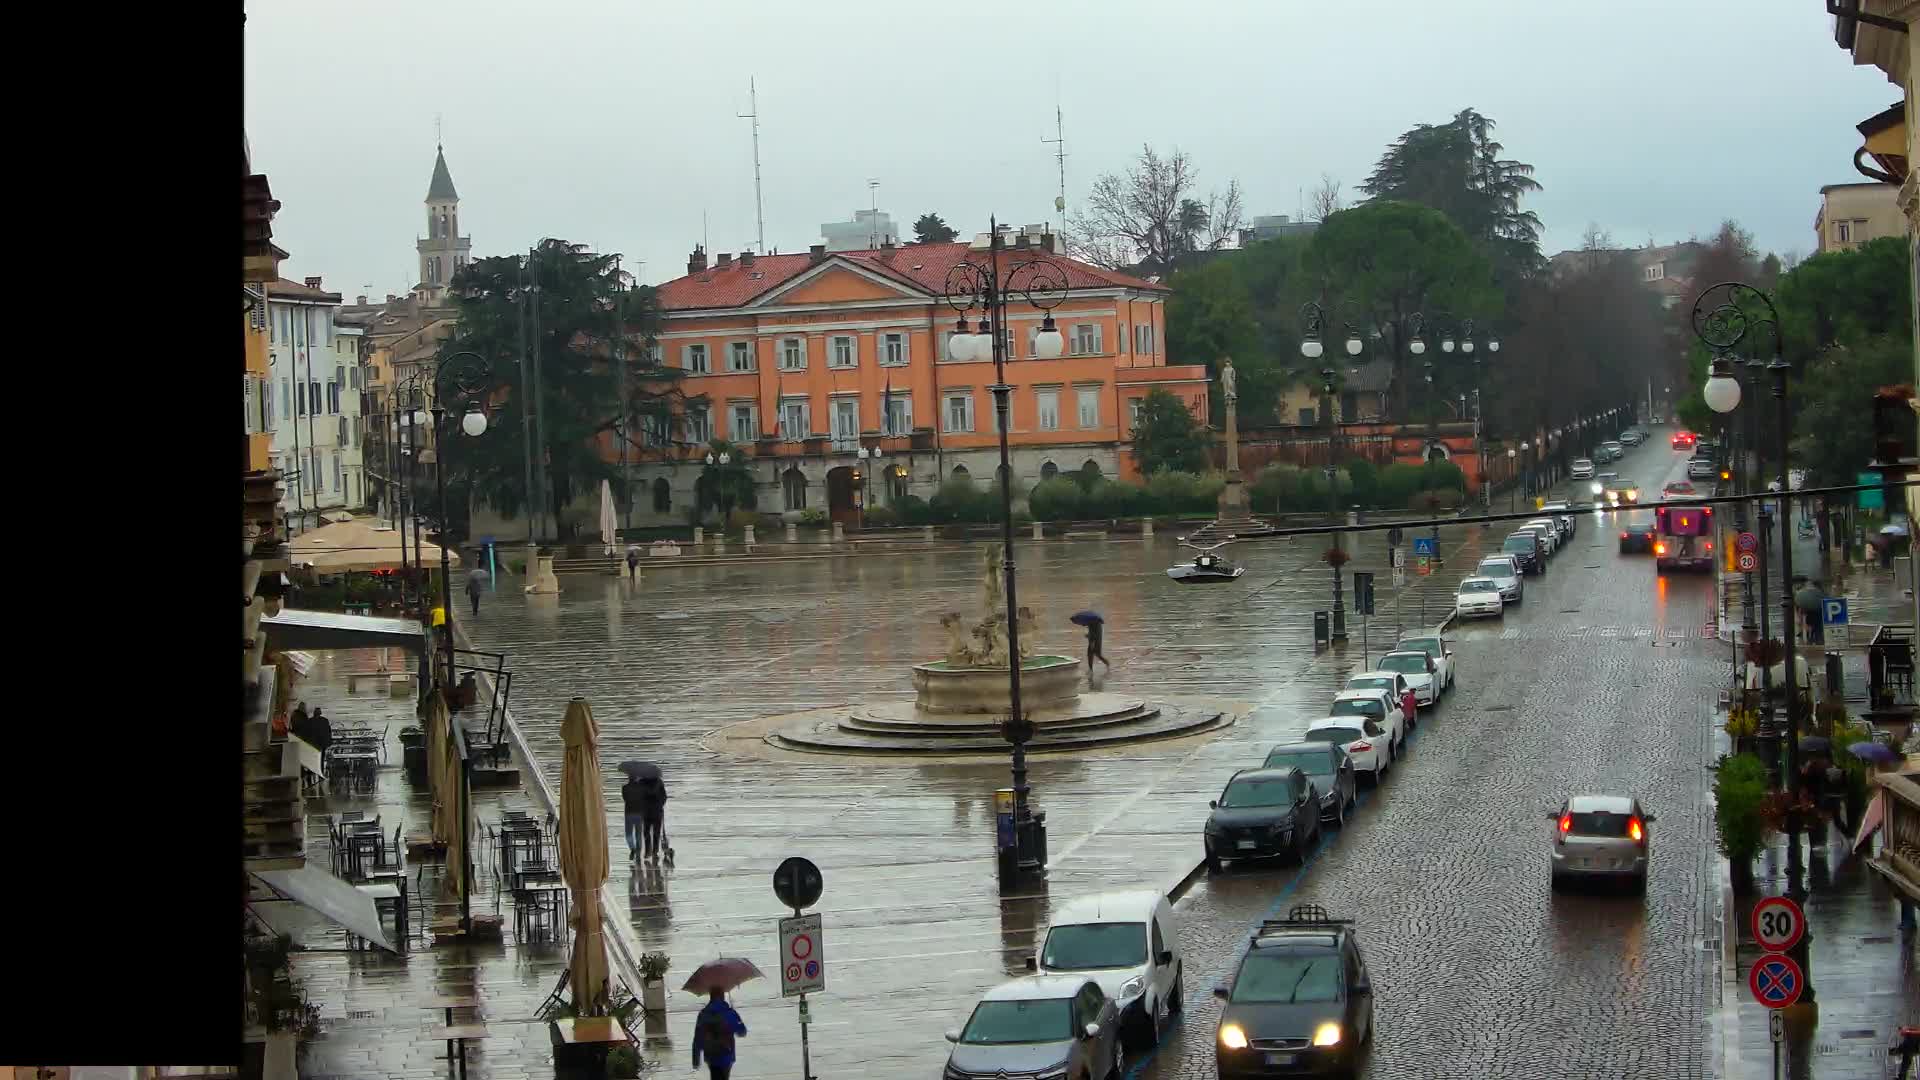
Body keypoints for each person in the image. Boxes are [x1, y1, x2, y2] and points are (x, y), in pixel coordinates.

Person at [691, 987, 747, 1080]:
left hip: (711, 1056)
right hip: (727, 1055)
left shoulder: (703, 1014)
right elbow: (742, 1032)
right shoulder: (729, 1013)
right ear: (722, 996)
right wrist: (737, 1019)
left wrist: (696, 1061)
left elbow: (698, 1039)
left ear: (711, 997)